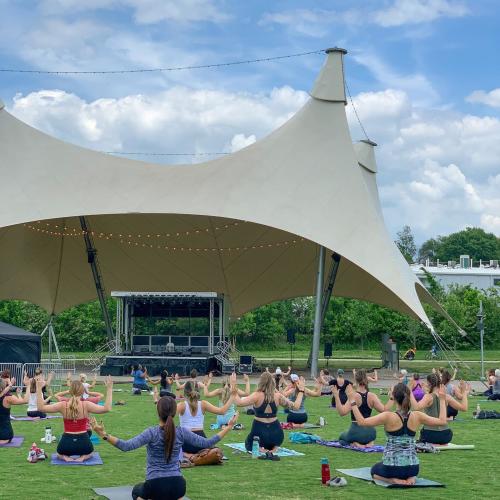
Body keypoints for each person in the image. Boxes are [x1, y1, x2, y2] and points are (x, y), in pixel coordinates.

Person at [90, 395, 239, 500]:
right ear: (174, 413)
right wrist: (229, 427)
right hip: (179, 486)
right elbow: (208, 442)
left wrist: (104, 435)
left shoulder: (152, 432)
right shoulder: (181, 432)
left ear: (158, 412)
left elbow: (126, 446)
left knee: (136, 491)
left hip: (154, 486)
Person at [350, 382, 447, 485]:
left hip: (392, 469)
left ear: (394, 397)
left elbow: (361, 422)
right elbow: (442, 421)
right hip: (413, 468)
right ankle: (411, 479)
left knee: (374, 470)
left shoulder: (388, 416)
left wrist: (352, 402)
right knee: (407, 468)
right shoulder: (418, 415)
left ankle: (392, 480)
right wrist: (442, 399)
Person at [36, 376, 113, 462]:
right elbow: (107, 408)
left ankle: (65, 457)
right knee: (90, 453)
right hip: (84, 443)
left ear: (70, 391)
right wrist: (109, 389)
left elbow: (40, 408)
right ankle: (83, 457)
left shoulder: (63, 405)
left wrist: (39, 389)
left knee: (59, 454)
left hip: (66, 444)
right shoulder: (86, 404)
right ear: (82, 391)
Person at [234, 371, 305, 459]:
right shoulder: (278, 396)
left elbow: (239, 402)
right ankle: (274, 448)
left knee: (248, 443)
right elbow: (296, 407)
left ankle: (261, 449)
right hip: (277, 435)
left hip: (259, 433)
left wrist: (233, 389)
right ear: (272, 383)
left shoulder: (257, 395)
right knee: (271, 442)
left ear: (261, 382)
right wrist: (301, 391)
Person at [177, 380, 235, 457]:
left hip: (186, 442)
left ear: (185, 391)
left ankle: (186, 455)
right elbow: (222, 411)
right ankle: (192, 455)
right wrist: (232, 397)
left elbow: (167, 416)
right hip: (201, 442)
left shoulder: (181, 405)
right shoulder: (203, 404)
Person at [332, 369, 387, 447]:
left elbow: (342, 412)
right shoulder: (372, 396)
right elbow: (384, 410)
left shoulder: (354, 396)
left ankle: (356, 444)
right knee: (362, 436)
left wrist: (336, 396)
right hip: (371, 433)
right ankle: (369, 443)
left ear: (356, 380)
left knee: (341, 438)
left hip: (356, 431)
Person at [410, 373, 469, 445]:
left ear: (429, 383)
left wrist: (409, 391)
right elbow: (464, 408)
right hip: (446, 435)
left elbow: (416, 407)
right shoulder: (446, 396)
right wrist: (464, 392)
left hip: (430, 435)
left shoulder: (428, 397)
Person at [0, 379, 27, 444]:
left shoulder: (7, 397)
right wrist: (28, 386)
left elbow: (2, 392)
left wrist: (10, 385)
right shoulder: (8, 398)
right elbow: (24, 401)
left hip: (4, 434)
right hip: (5, 433)